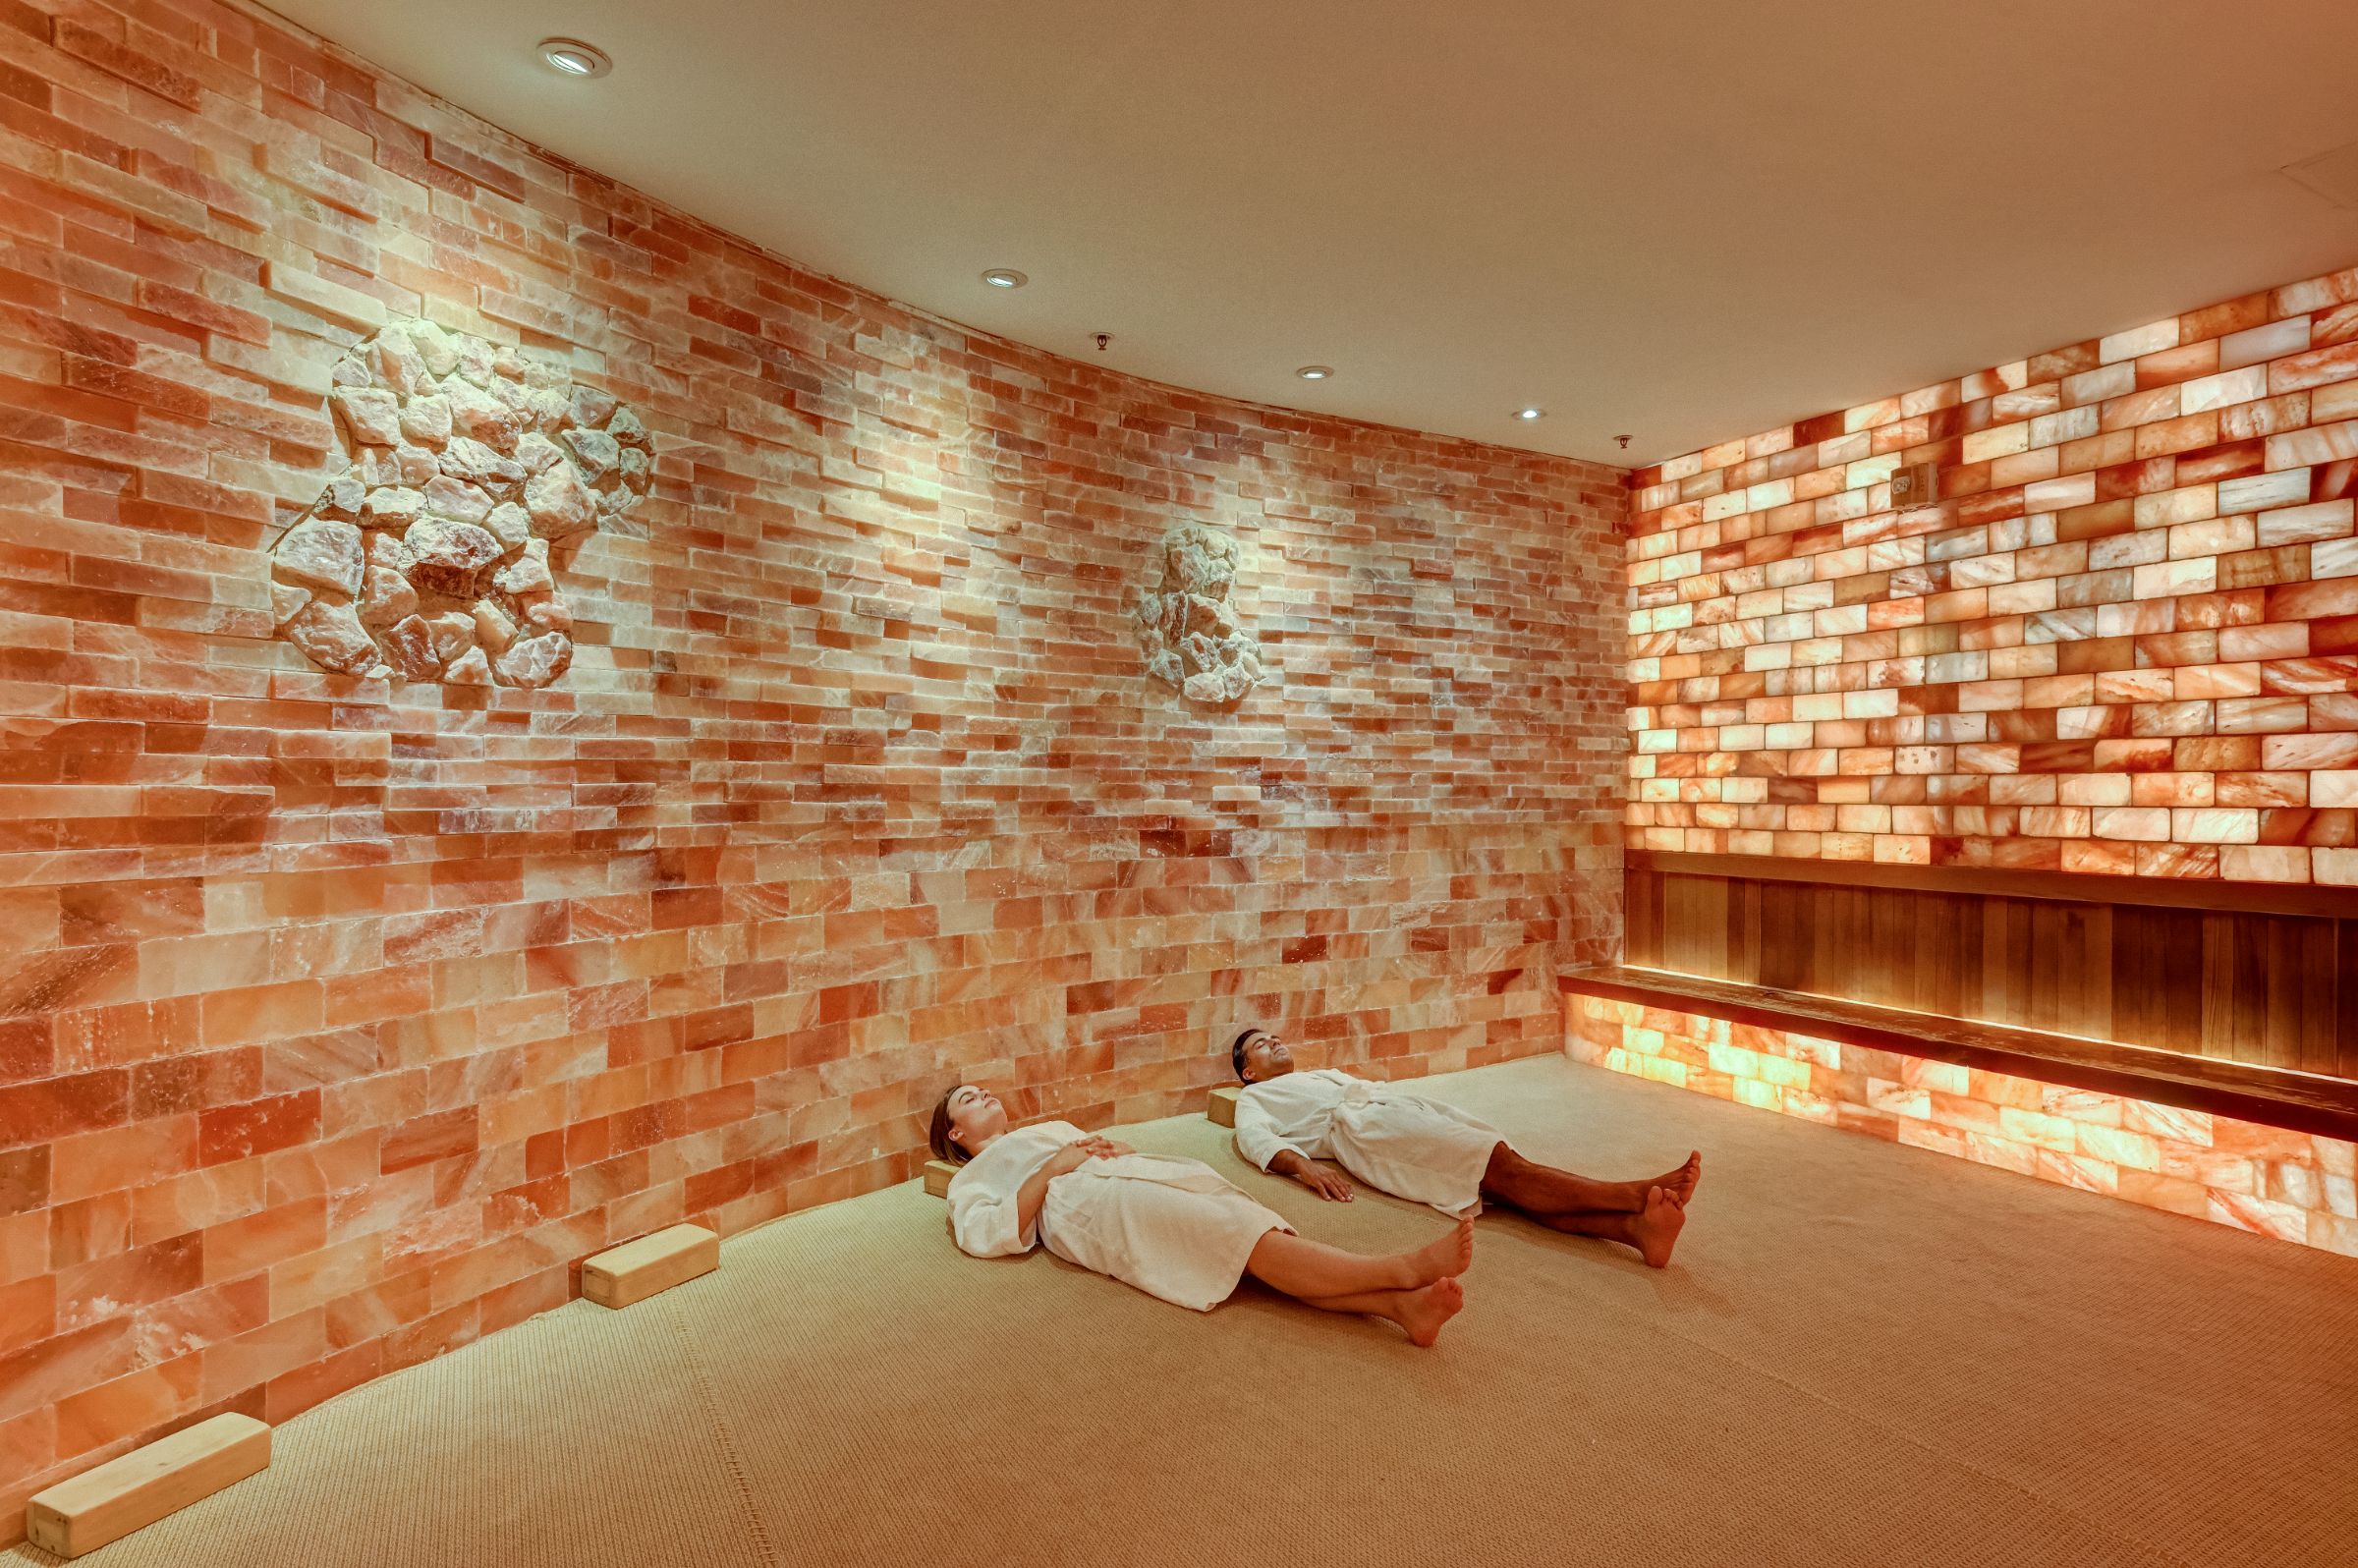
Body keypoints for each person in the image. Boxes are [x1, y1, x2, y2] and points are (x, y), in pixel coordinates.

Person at [929, 1084, 1470, 1346]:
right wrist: (1056, 1167)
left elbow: (1091, 1150)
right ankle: (1398, 1270)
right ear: (956, 1134)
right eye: (969, 1099)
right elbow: (986, 1235)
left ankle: (1403, 1309)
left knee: (1239, 1219)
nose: (984, 1094)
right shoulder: (972, 1178)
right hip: (1088, 1205)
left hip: (1136, 1175)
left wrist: (1108, 1148)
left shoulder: (1044, 1128)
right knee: (1238, 1236)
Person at [1227, 1027, 1700, 1268]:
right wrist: (1305, 1168)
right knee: (1504, 1167)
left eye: (1275, 1038)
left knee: (1506, 1185)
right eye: (1261, 1047)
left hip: (1397, 1109)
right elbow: (1254, 1140)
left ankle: (1636, 1232)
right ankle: (1635, 1194)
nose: (1274, 1042)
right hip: (1369, 1132)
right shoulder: (1254, 1098)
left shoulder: (1317, 1074)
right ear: (1248, 1073)